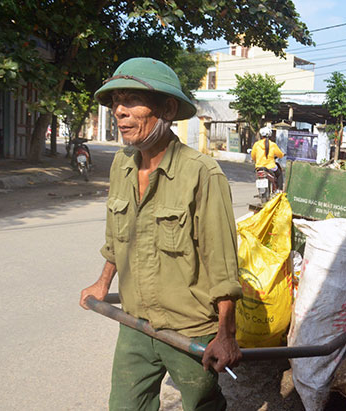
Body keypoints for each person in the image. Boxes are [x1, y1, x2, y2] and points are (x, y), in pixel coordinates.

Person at [79, 57, 242, 411]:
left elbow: (223, 265)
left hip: (188, 329)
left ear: (167, 108)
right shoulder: (123, 165)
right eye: (115, 101)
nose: (119, 111)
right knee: (125, 405)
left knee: (202, 405)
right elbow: (117, 239)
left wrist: (225, 334)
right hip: (136, 323)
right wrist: (102, 283)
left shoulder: (202, 174)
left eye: (131, 100)